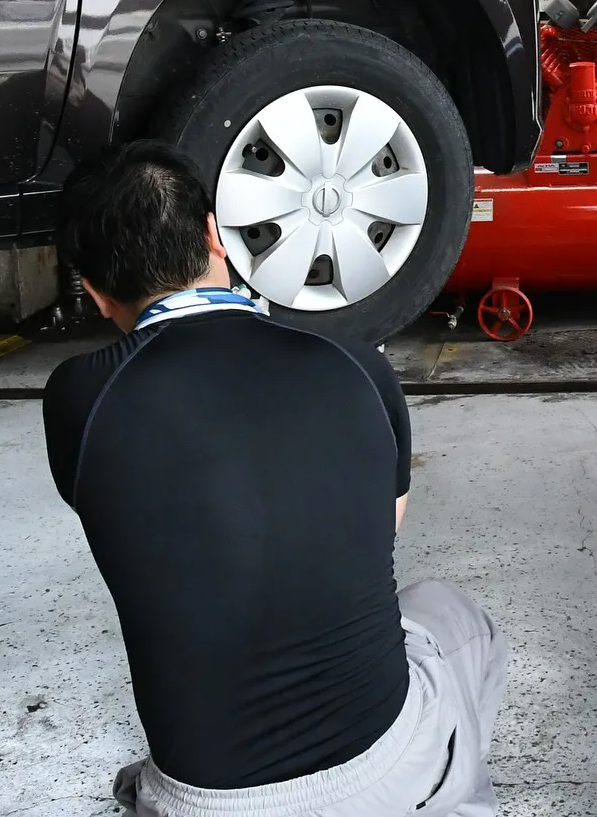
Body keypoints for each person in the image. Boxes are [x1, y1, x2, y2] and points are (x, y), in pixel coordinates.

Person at [43, 140, 508, 817]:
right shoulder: (355, 365)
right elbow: (379, 529)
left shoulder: (78, 399)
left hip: (201, 801)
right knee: (455, 616)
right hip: (379, 773)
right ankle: (447, 797)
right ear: (213, 236)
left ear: (93, 291)